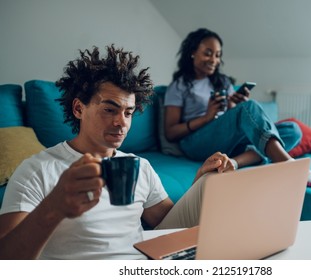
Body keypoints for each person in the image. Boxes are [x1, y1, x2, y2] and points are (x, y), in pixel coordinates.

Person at [0, 45, 235, 260]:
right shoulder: (37, 169)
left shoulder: (139, 166)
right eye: (109, 110)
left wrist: (199, 184)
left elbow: (166, 225)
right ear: (79, 108)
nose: (120, 123)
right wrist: (55, 206)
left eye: (128, 113)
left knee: (211, 182)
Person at [164, 28, 311, 187]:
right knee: (250, 107)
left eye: (217, 55)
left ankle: (234, 162)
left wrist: (235, 105)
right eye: (208, 54)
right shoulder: (178, 86)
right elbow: (170, 133)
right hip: (195, 142)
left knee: (292, 130)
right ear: (192, 53)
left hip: (226, 142)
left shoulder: (222, 81)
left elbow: (231, 116)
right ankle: (289, 166)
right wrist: (206, 117)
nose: (214, 60)